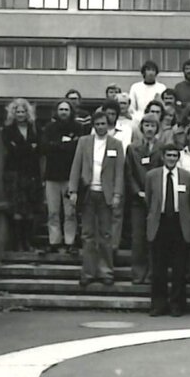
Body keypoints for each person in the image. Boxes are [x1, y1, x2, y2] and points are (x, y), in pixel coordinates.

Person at [68, 110, 125, 287]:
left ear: (108, 125)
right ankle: (88, 271)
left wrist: (117, 194)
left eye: (103, 124)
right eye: (97, 124)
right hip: (88, 192)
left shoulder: (116, 144)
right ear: (93, 125)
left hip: (106, 193)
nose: (101, 127)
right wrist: (73, 191)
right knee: (87, 234)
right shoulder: (84, 142)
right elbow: (76, 166)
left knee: (106, 234)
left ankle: (106, 271)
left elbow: (119, 172)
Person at [145, 144, 190, 316]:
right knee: (158, 268)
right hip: (160, 223)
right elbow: (149, 200)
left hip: (179, 224)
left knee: (179, 269)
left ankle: (177, 305)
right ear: (163, 156)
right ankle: (158, 304)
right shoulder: (152, 176)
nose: (172, 158)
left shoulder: (187, 177)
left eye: (175, 155)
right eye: (169, 155)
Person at [125, 113, 164, 284]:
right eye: (146, 125)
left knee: (154, 236)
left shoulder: (162, 147)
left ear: (157, 129)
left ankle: (152, 272)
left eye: (153, 126)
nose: (149, 129)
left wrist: (155, 193)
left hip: (156, 199)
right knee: (138, 236)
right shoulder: (132, 148)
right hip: (137, 199)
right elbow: (129, 173)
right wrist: (137, 192)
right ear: (141, 128)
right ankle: (138, 273)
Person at [40, 99, 82, 255]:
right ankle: (54, 241)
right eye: (61, 109)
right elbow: (45, 147)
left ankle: (70, 242)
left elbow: (77, 148)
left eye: (66, 109)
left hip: (70, 177)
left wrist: (57, 145)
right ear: (56, 111)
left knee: (70, 212)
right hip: (52, 176)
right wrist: (64, 144)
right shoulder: (49, 128)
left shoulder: (78, 128)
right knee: (53, 212)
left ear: (71, 111)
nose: (64, 112)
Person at [2, 98, 42, 252]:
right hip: (15, 172)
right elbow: (13, 150)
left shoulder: (35, 128)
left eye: (23, 111)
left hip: (32, 172)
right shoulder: (8, 130)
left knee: (30, 210)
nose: (20, 114)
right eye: (17, 111)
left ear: (28, 113)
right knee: (18, 210)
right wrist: (28, 147)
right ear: (13, 113)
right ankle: (18, 243)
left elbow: (39, 149)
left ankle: (28, 242)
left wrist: (23, 147)